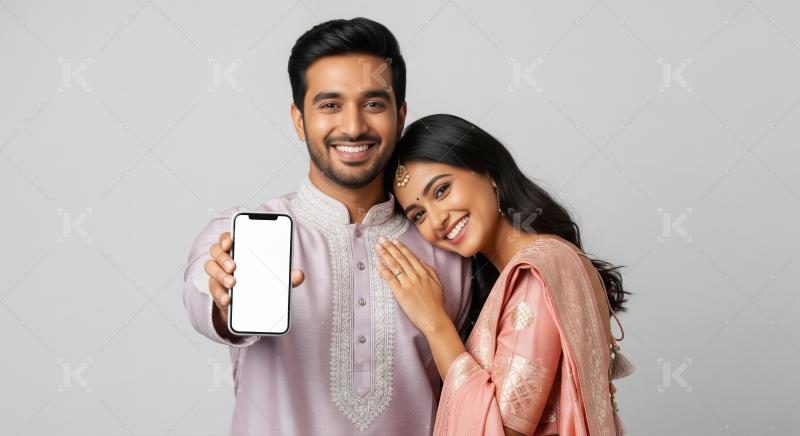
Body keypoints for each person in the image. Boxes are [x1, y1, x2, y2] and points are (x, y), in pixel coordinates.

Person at [182, 21, 472, 435]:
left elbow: (478, 394)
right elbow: (203, 294)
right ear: (299, 120)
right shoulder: (241, 235)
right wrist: (224, 299)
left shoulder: (448, 244)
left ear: (400, 116)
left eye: (373, 104)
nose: (353, 127)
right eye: (330, 105)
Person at [375, 114, 634, 435]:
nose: (438, 219)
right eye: (418, 215)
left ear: (488, 172)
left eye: (441, 190)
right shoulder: (533, 268)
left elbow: (499, 429)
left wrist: (434, 323)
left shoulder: (536, 272)